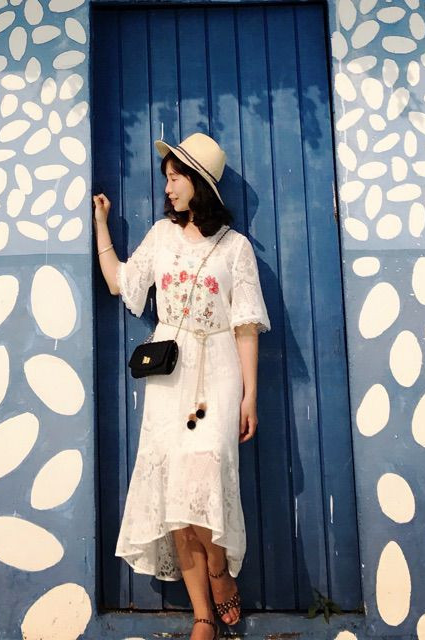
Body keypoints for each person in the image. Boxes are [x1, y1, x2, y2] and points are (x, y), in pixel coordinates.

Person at [92, 132, 270, 640]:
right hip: (169, 372)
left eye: (175, 178)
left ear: (200, 183)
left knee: (205, 473)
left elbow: (246, 325)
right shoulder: (161, 237)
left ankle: (219, 570)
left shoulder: (235, 248)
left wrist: (250, 395)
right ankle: (202, 615)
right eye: (167, 178)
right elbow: (120, 282)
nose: (167, 188)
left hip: (218, 369)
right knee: (173, 489)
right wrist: (101, 225)